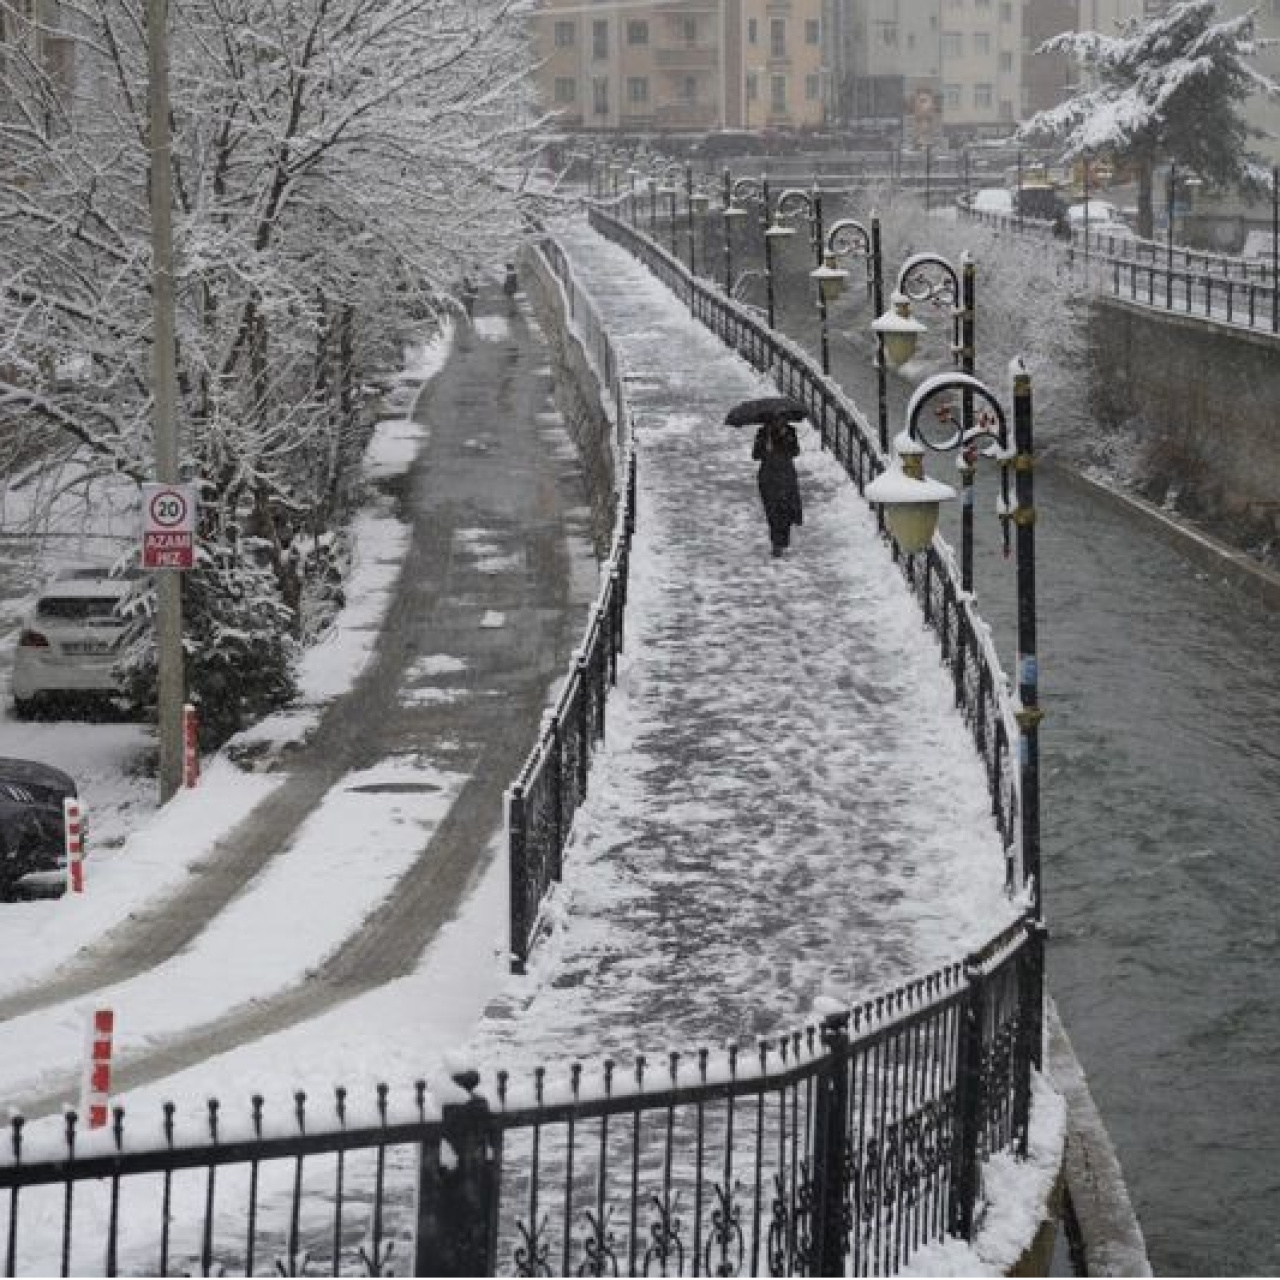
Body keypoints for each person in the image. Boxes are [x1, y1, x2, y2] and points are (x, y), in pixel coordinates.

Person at [752, 416, 803, 557]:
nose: (778, 422)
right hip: (768, 476)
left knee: (786, 508)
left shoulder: (790, 432)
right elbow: (755, 455)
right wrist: (765, 448)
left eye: (781, 419)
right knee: (772, 510)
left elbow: (796, 452)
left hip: (786, 475)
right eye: (775, 419)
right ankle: (777, 542)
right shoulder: (763, 433)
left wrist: (788, 440)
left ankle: (781, 540)